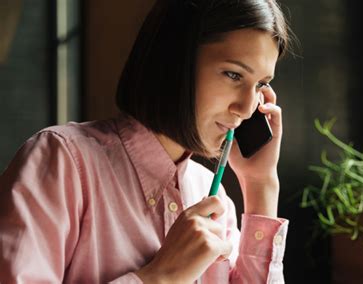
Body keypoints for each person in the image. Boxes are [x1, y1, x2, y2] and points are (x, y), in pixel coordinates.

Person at [0, 0, 294, 282]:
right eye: (233, 74)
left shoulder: (214, 200)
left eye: (261, 85)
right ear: (174, 61)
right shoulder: (62, 162)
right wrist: (161, 277)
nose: (246, 108)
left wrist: (260, 183)